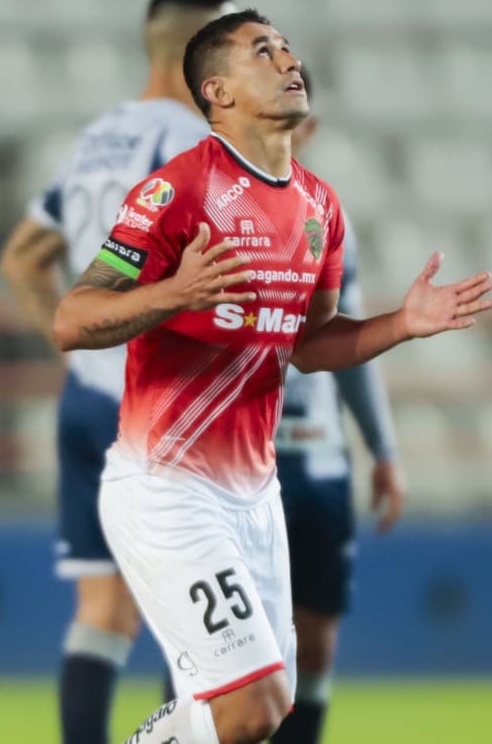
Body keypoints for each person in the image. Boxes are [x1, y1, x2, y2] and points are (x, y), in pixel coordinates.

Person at [52, 8, 492, 744]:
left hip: (255, 496)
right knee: (249, 707)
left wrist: (400, 323)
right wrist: (174, 294)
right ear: (218, 91)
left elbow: (310, 344)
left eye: (287, 48)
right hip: (168, 484)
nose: (289, 61)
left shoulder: (320, 205)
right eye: (264, 51)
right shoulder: (177, 191)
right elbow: (73, 318)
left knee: (259, 712)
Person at [0, 0, 235, 744]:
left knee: (102, 610)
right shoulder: (193, 149)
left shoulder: (97, 138)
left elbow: (23, 257)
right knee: (191, 615)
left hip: (86, 400)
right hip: (155, 408)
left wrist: (77, 344)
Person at [158, 68, 406, 744]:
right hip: (223, 462)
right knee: (210, 647)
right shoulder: (195, 208)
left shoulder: (326, 219)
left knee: (313, 640)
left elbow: (347, 342)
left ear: (309, 125)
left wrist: (383, 449)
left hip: (315, 455)